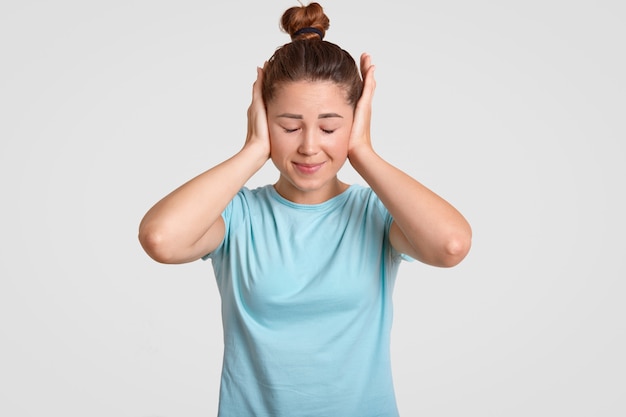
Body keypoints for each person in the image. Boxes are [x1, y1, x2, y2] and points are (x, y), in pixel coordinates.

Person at [138, 2, 471, 416]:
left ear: (356, 120)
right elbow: (160, 239)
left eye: (330, 127)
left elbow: (451, 245)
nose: (309, 145)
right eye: (289, 126)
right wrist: (253, 150)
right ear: (262, 116)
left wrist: (363, 151)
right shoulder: (238, 217)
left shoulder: (376, 214)